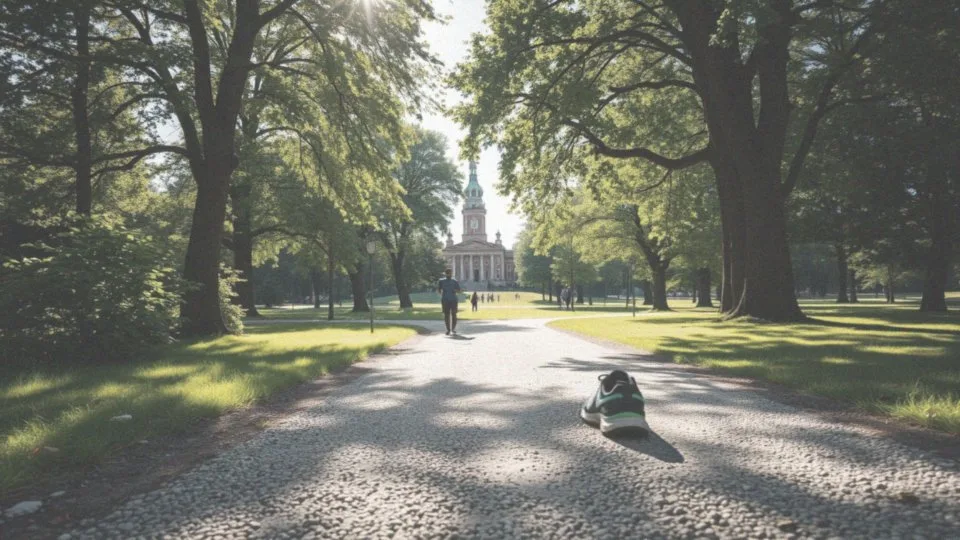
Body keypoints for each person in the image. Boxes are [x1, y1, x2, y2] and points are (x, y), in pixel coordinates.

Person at [437, 268, 462, 335]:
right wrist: (442, 294)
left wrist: (455, 291)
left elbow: (459, 290)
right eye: (448, 273)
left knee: (454, 314)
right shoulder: (441, 281)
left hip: (453, 300)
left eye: (450, 273)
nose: (449, 274)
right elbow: (438, 290)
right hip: (445, 300)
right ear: (445, 274)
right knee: (446, 315)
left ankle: (453, 329)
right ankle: (448, 329)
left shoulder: (454, 281)